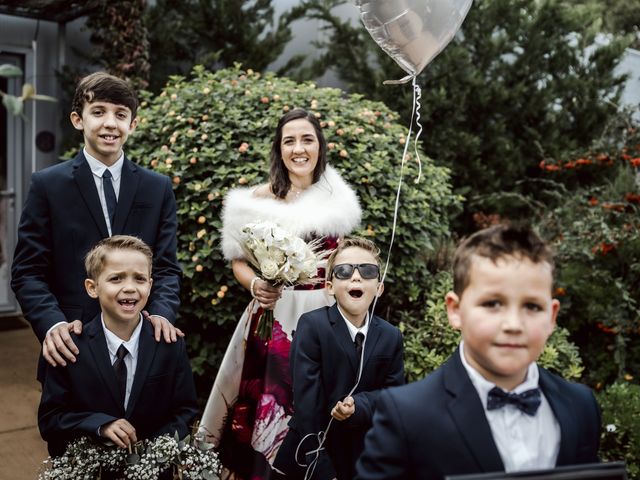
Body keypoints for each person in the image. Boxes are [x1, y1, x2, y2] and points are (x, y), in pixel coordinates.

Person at [355, 224, 601, 480]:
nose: (514, 325)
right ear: (455, 311)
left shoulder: (581, 406)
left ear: (551, 317)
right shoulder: (407, 414)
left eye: (532, 306)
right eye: (492, 304)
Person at [198, 108, 361, 479]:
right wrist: (256, 284)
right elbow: (238, 260)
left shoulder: (338, 198)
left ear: (320, 146)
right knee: (269, 396)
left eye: (307, 139)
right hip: (275, 314)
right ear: (279, 148)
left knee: (317, 396)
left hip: (324, 310)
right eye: (290, 140)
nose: (299, 148)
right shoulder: (257, 199)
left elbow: (344, 258)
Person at [11, 72, 182, 381]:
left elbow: (167, 268)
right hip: (72, 343)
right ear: (78, 119)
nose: (110, 123)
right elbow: (28, 271)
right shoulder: (48, 185)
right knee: (72, 428)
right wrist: (53, 325)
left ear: (132, 125)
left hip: (141, 340)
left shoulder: (157, 188)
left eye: (120, 115)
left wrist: (161, 314)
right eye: (99, 112)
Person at [38, 235, 198, 460]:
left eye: (140, 279)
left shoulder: (169, 344)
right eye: (116, 279)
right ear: (92, 287)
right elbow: (51, 420)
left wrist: (150, 456)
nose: (130, 288)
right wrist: (99, 426)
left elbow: (185, 412)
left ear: (150, 286)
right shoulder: (69, 346)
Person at [273, 236, 404, 480]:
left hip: (363, 457)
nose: (356, 277)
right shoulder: (312, 326)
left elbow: (393, 398)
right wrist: (321, 469)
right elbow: (306, 405)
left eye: (367, 271)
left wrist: (359, 405)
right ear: (330, 286)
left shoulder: (391, 336)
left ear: (379, 287)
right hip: (311, 453)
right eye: (343, 271)